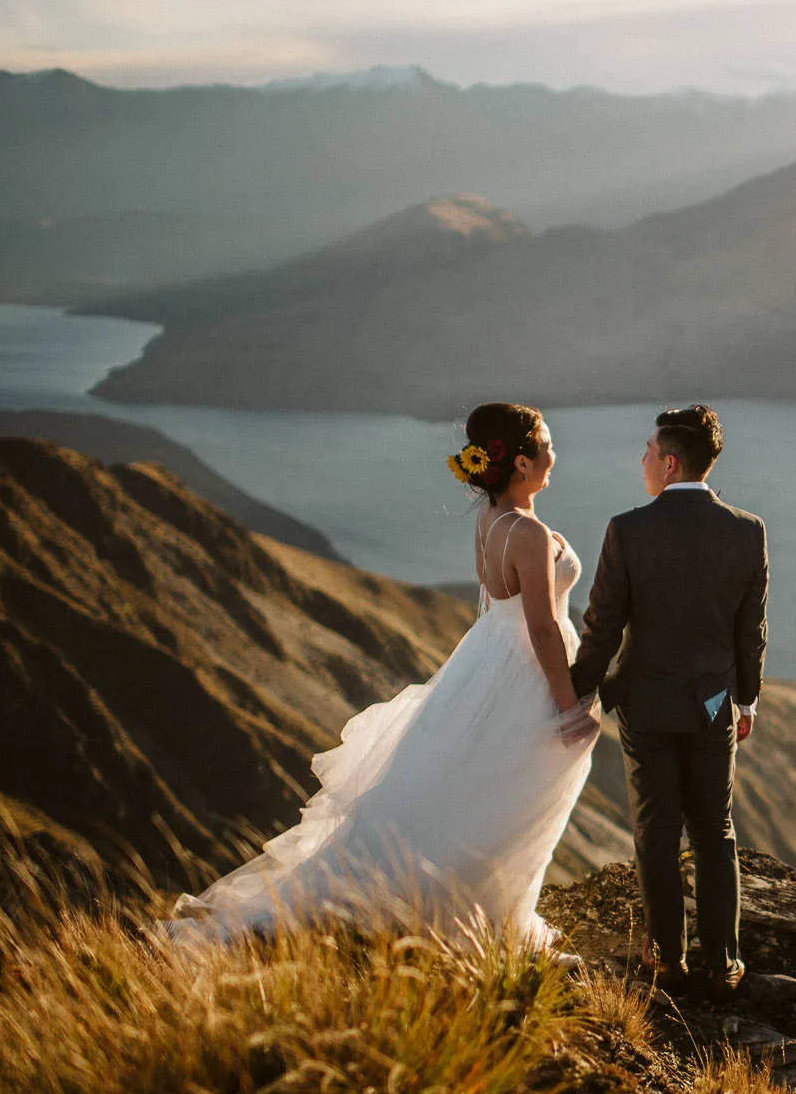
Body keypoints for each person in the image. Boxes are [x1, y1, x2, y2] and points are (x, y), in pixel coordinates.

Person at [164, 402, 599, 951]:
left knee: (469, 790)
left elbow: (496, 607)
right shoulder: (529, 534)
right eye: (546, 446)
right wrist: (566, 706)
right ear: (518, 463)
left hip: (487, 664)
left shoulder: (491, 521)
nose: (553, 456)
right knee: (504, 796)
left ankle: (481, 909)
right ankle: (487, 916)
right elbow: (539, 625)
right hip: (524, 676)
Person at [567, 405, 768, 1000]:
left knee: (656, 830)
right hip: (712, 706)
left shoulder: (628, 530)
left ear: (671, 461)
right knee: (715, 829)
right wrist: (747, 699)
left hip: (647, 704)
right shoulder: (746, 530)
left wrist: (578, 690)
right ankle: (725, 958)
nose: (643, 460)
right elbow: (749, 630)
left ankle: (667, 957)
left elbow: (603, 624)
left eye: (649, 451)